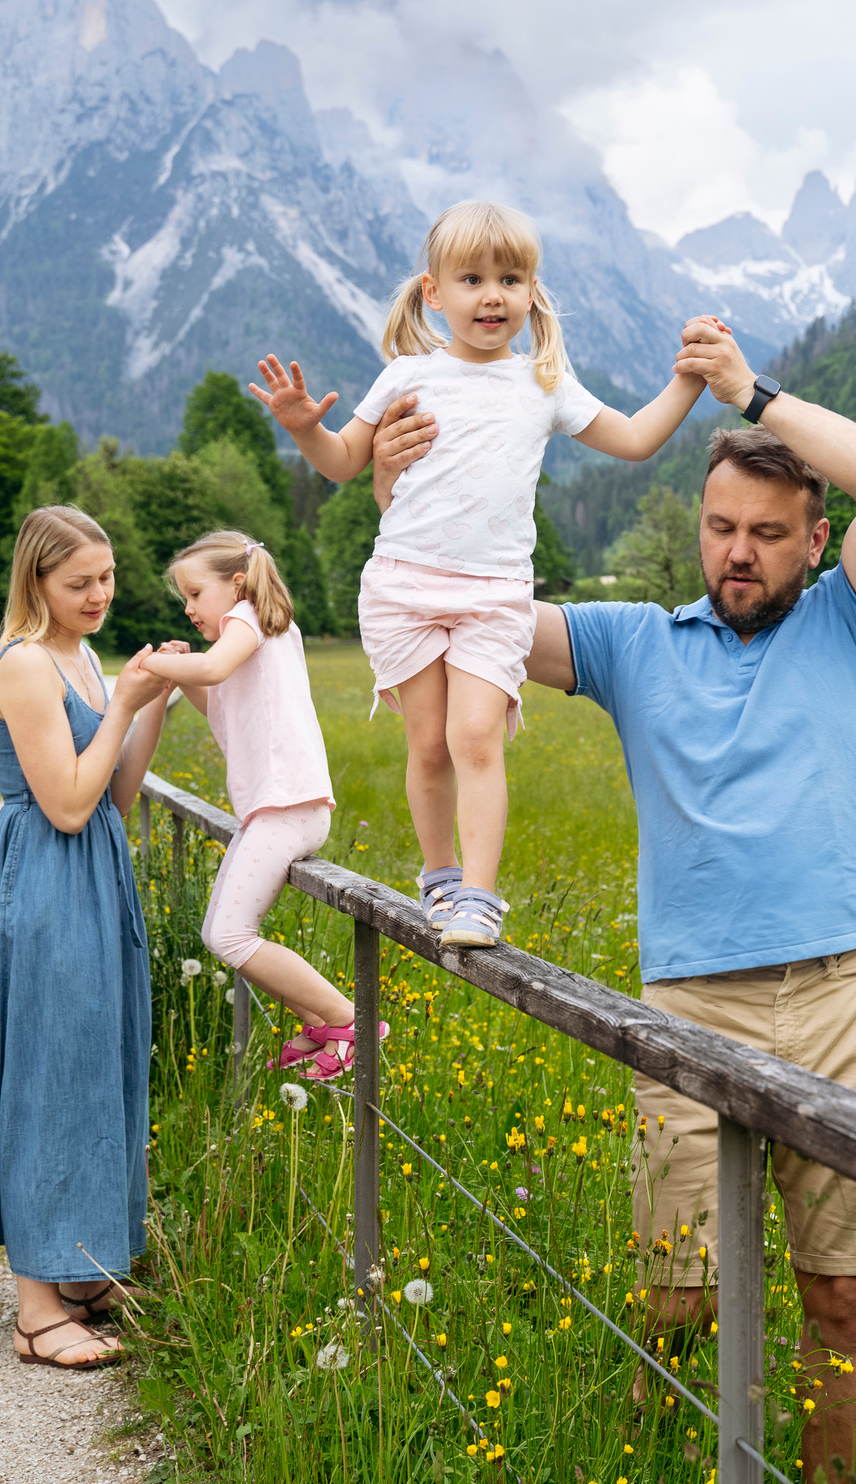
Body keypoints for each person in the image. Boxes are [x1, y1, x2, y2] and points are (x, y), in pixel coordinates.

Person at [377, 325, 856, 1484]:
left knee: (838, 1294)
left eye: (769, 533)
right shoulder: (636, 643)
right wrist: (401, 492)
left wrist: (749, 395)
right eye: (723, 527)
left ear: (814, 542)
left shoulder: (854, 623)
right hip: (690, 1008)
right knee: (679, 1296)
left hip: (845, 991)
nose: (740, 553)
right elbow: (474, 614)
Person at [246, 198, 718, 949]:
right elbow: (342, 462)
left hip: (496, 593)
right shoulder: (405, 374)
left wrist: (691, 381)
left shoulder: (543, 381)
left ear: (532, 292)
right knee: (428, 744)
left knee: (476, 737)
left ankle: (478, 898)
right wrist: (305, 426)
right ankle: (438, 874)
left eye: (510, 278)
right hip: (404, 584)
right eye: (471, 279)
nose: (492, 295)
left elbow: (632, 439)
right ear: (433, 291)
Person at [0, 505, 176, 1370]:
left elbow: (116, 794)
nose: (100, 594)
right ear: (37, 582)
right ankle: (34, 1306)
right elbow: (65, 803)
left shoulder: (82, 658)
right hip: (46, 885)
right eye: (79, 582)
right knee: (46, 1076)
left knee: (100, 1065)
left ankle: (84, 1272)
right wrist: (124, 697)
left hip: (96, 876)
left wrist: (149, 700)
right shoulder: (22, 666)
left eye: (109, 576)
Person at [130, 530, 379, 1080]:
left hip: (288, 805)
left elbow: (212, 670)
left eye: (195, 595)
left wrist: (157, 666)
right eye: (185, 601)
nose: (190, 608)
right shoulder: (252, 638)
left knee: (229, 935)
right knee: (216, 931)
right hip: (277, 808)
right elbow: (215, 699)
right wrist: (185, 666)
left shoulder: (248, 619)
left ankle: (348, 1020)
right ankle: (319, 1023)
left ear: (236, 585)